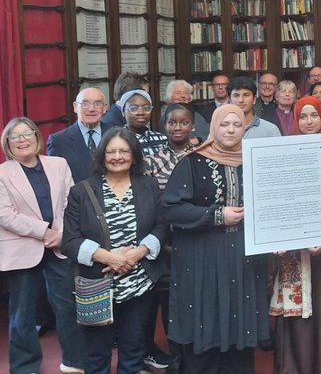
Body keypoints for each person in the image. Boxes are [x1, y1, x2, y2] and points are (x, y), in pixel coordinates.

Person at [162, 105, 271, 373]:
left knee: (240, 321)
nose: (231, 130)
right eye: (225, 124)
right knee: (206, 316)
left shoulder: (255, 160)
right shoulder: (192, 161)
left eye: (237, 124)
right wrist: (217, 215)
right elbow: (172, 209)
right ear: (213, 127)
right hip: (203, 256)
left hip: (243, 256)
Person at [62, 128, 168, 374]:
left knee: (134, 351)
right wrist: (110, 257)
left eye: (124, 150)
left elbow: (163, 226)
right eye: (111, 151)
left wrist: (137, 253)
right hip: (96, 284)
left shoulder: (148, 185)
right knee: (97, 355)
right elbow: (70, 240)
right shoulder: (82, 190)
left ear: (134, 155)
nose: (117, 156)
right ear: (102, 155)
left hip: (139, 283)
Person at [269, 96, 321, 374]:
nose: (308, 122)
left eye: (313, 115)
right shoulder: (282, 151)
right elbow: (277, 200)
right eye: (302, 117)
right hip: (295, 249)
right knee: (300, 314)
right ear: (295, 120)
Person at [0, 117, 84, 374]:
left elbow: (72, 201)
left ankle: (74, 363)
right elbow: (5, 214)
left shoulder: (58, 164)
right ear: (7, 143)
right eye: (15, 136)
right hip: (22, 249)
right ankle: (24, 367)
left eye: (27, 134)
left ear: (37, 137)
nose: (22, 139)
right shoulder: (2, 173)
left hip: (59, 245)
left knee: (68, 308)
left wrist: (62, 233)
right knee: (23, 314)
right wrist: (44, 232)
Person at [144, 103, 198, 372]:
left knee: (197, 298)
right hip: (167, 242)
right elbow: (152, 206)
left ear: (193, 125)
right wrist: (164, 244)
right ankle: (177, 356)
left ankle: (198, 352)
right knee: (171, 303)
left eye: (183, 122)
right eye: (172, 122)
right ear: (164, 126)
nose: (178, 127)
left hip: (199, 240)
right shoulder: (152, 162)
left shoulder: (203, 154)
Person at [48, 87, 112, 182]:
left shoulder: (117, 134)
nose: (91, 109)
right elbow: (55, 181)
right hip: (78, 196)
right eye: (85, 103)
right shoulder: (59, 141)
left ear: (104, 108)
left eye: (97, 104)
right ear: (75, 107)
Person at [121, 89, 168, 157]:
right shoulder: (117, 140)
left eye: (146, 108)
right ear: (123, 112)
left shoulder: (162, 139)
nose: (141, 112)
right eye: (134, 108)